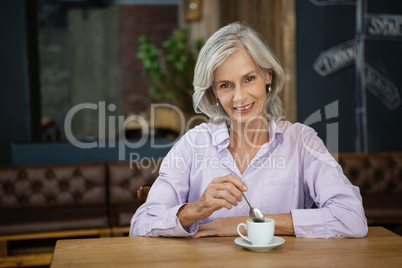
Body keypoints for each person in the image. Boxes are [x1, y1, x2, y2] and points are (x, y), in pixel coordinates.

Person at [130, 22, 368, 238]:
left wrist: (249, 224)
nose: (239, 97)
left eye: (249, 79)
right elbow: (140, 225)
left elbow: (352, 218)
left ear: (268, 75)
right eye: (225, 85)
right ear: (213, 91)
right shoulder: (192, 144)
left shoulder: (301, 141)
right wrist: (196, 208)